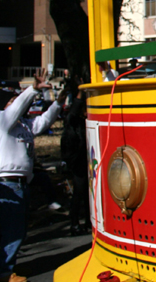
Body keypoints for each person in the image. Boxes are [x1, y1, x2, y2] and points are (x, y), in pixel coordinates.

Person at [0, 68, 61, 282]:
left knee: (18, 229)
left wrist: (59, 102)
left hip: (21, 182)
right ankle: (4, 273)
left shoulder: (23, 125)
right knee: (12, 229)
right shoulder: (2, 121)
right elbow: (14, 110)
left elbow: (43, 122)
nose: (18, 104)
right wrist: (32, 90)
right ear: (5, 105)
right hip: (8, 183)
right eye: (13, 100)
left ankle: (9, 267)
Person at [61, 87, 89, 236]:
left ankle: (88, 221)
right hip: (78, 162)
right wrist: (80, 94)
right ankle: (74, 223)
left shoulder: (85, 122)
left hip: (85, 161)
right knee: (78, 193)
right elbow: (72, 113)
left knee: (87, 194)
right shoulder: (73, 123)